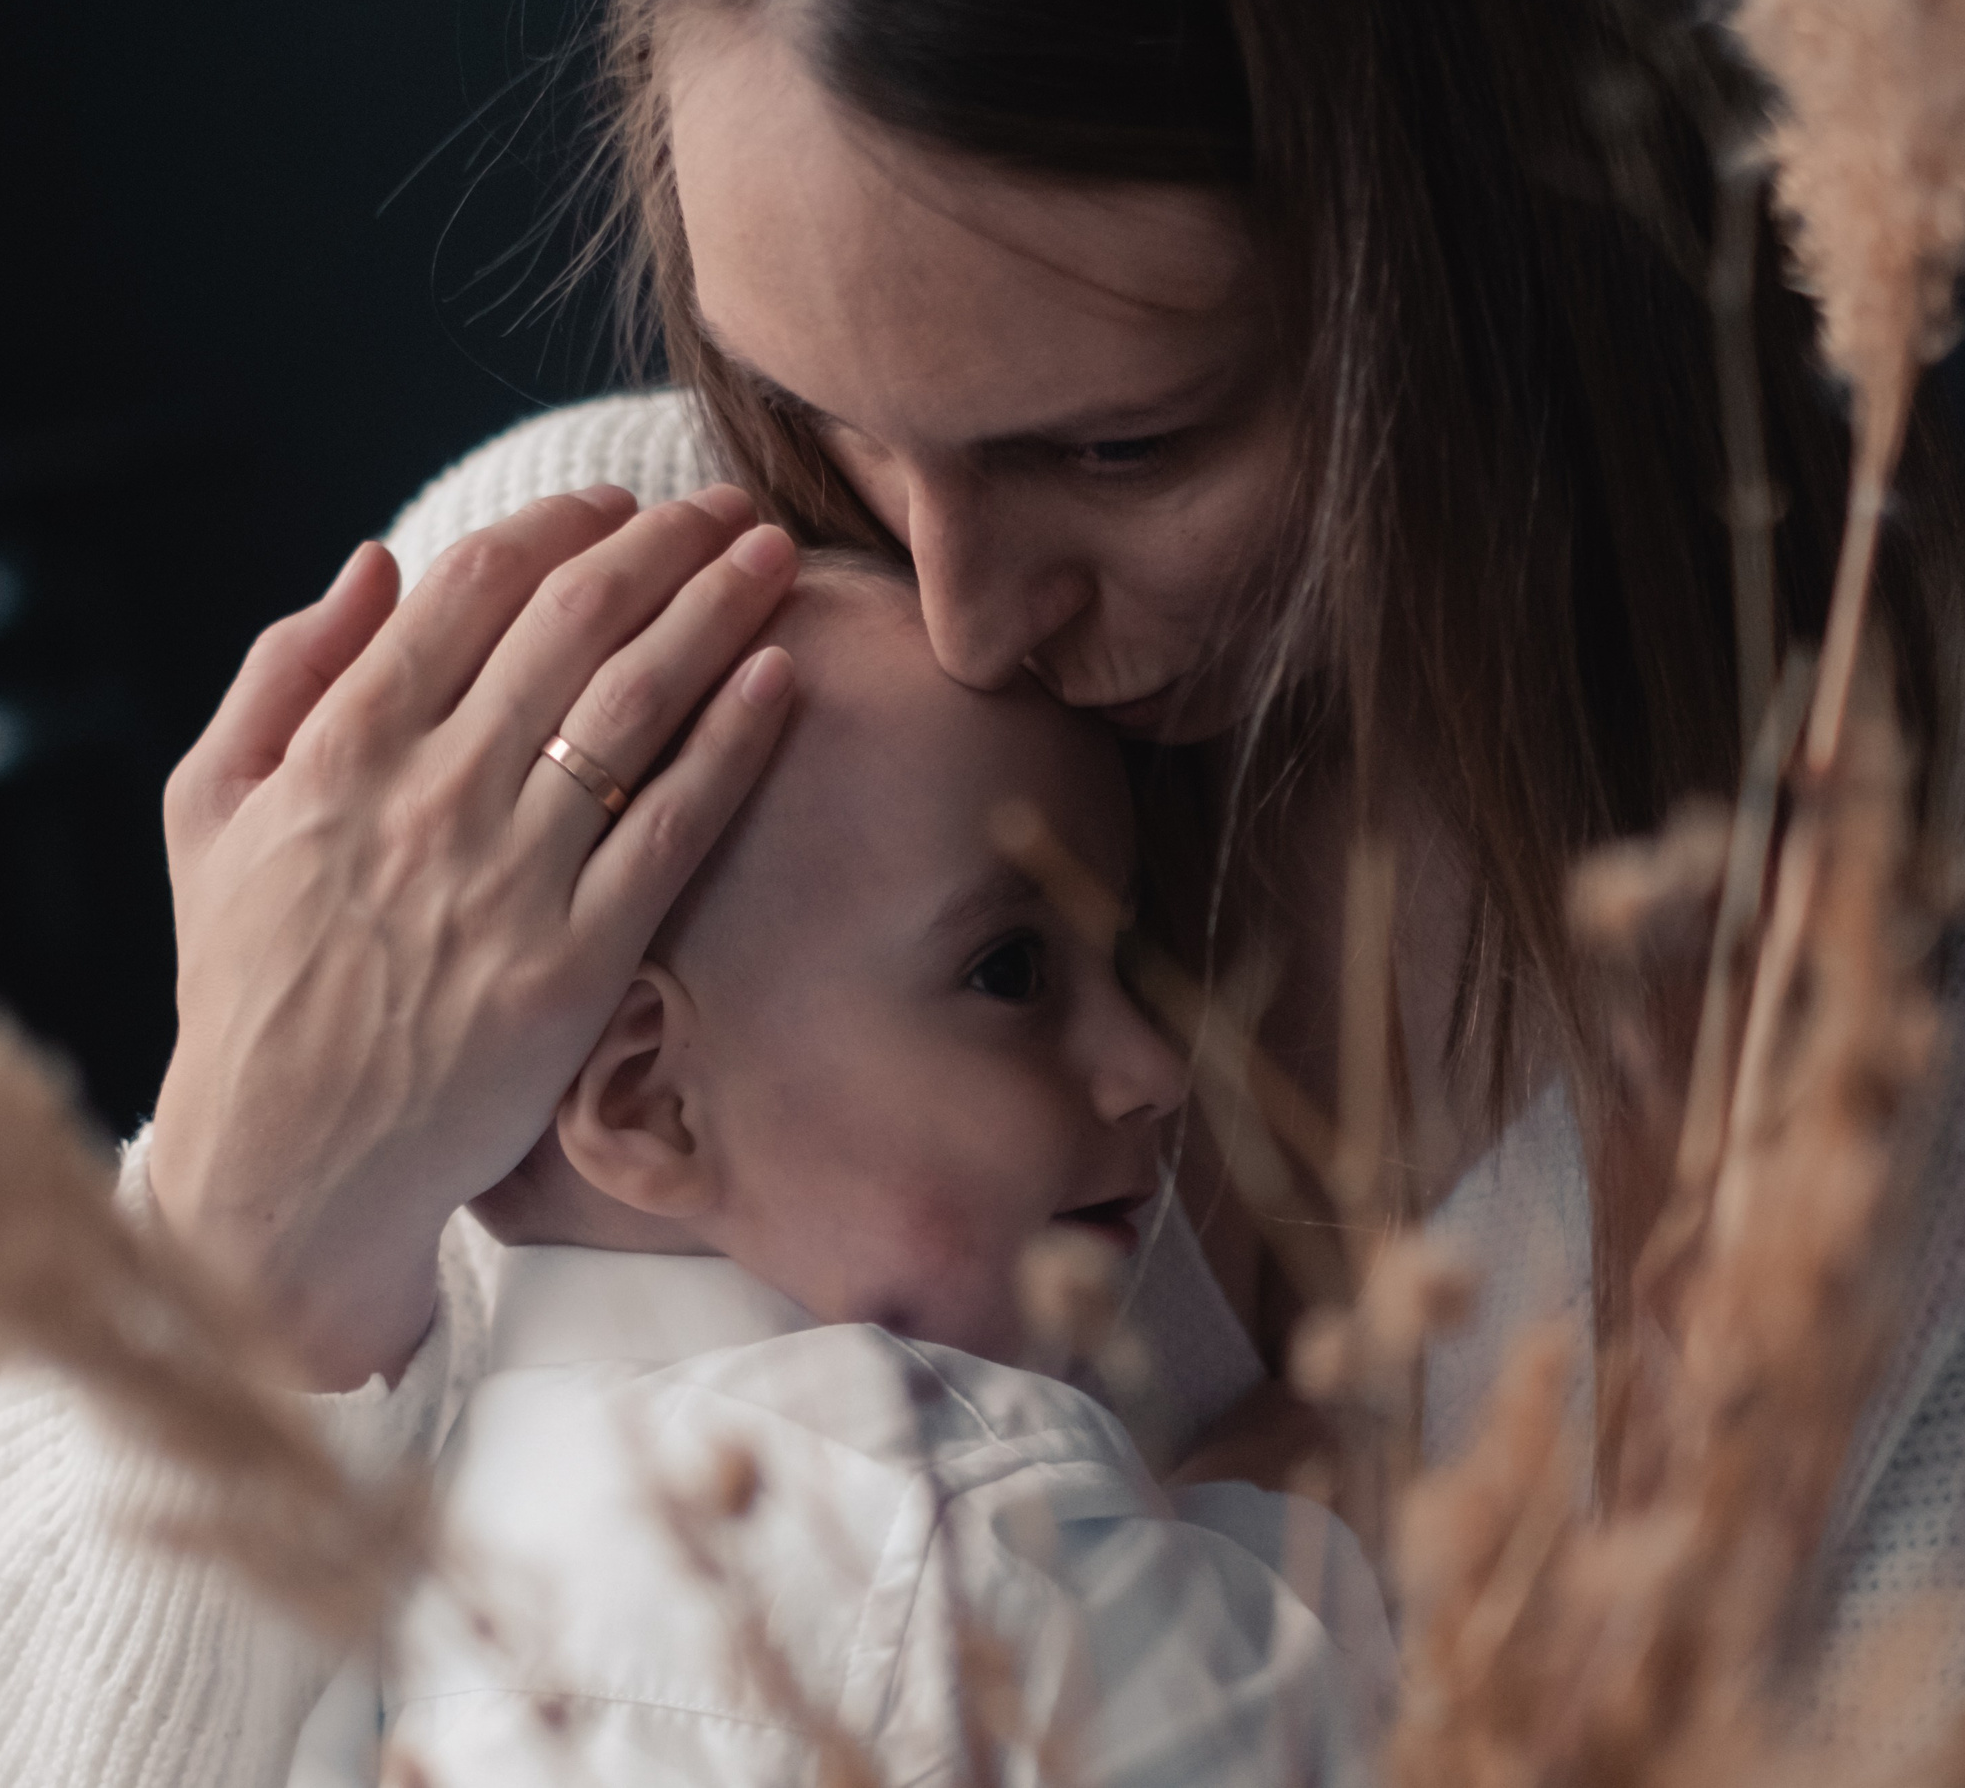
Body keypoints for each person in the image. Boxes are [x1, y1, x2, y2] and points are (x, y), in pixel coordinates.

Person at [0, 0, 1965, 1785]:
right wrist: (242, 1236)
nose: (965, 606)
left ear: (1514, 257)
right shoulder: (596, 669)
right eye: (821, 415)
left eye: (1116, 438)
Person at [285, 556, 1391, 1787]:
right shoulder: (960, 1524)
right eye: (1011, 971)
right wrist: (1310, 1525)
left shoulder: (388, 1581)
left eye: (1124, 952)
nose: (1153, 1065)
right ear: (650, 1101)